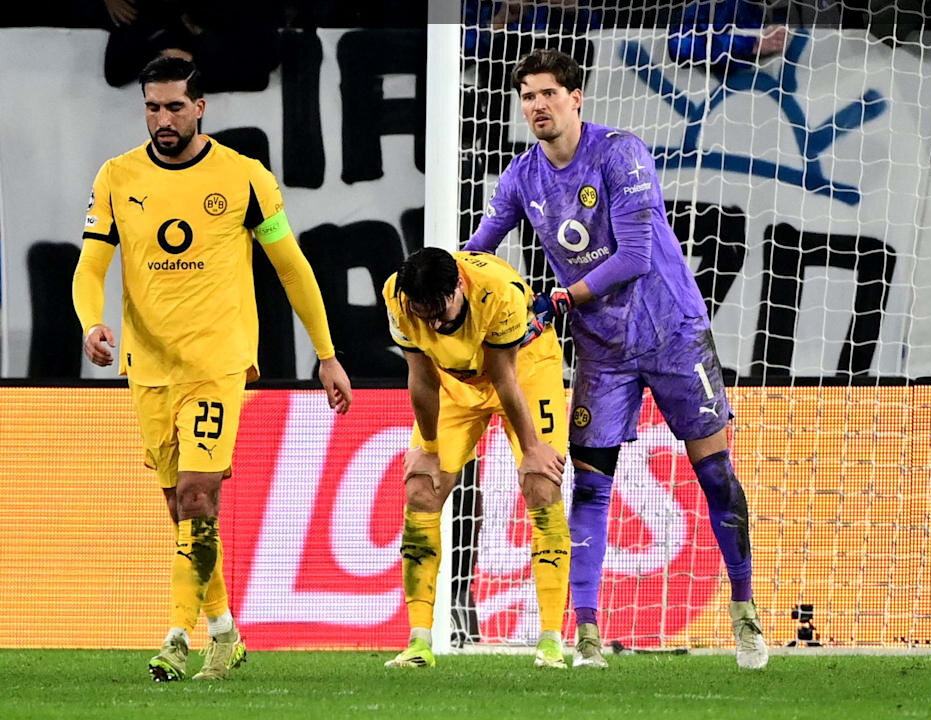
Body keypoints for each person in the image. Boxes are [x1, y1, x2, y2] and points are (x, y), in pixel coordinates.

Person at [464, 48, 768, 670]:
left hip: (673, 332)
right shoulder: (521, 176)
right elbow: (478, 252)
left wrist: (559, 299)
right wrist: (444, 283)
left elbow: (633, 256)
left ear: (575, 98)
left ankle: (745, 615)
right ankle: (588, 636)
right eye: (527, 96)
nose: (537, 106)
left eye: (548, 93)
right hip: (603, 352)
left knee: (715, 475)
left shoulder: (620, 153)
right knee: (591, 489)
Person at [72, 56, 353, 682]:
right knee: (182, 512)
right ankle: (225, 631)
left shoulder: (244, 177)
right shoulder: (117, 176)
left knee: (199, 495)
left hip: (218, 363)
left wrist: (327, 354)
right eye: (152, 107)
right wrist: (90, 322)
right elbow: (90, 265)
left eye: (175, 106)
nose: (163, 119)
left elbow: (292, 267)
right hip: (149, 367)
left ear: (200, 107)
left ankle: (176, 640)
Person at [381, 248, 571, 669]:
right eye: (423, 313)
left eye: (439, 311)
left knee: (541, 484)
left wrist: (532, 449)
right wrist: (429, 450)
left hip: (525, 370)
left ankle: (551, 642)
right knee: (421, 489)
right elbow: (421, 378)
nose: (433, 324)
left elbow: (504, 377)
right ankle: (418, 643)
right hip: (455, 383)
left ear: (458, 288)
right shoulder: (397, 295)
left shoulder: (498, 293)